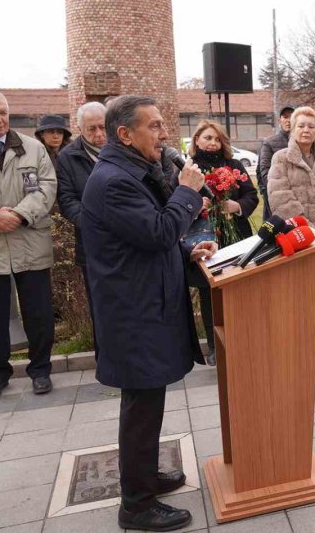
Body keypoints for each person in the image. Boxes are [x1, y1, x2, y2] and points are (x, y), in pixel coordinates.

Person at [79, 95, 214, 531]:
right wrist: (188, 192)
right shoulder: (114, 180)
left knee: (148, 400)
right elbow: (157, 230)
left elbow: (148, 237)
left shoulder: (130, 170)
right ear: (125, 134)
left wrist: (189, 250)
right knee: (141, 404)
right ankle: (136, 504)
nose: (163, 134)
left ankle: (145, 475)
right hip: (132, 312)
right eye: (153, 126)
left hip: (141, 302)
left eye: (162, 125)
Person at [0, 90, 57, 402]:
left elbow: (47, 187)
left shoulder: (32, 148)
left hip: (28, 242)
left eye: (3, 113)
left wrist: (19, 214)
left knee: (38, 313)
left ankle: (41, 370)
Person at [268, 106, 315, 356]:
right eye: (301, 125)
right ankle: (298, 331)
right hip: (298, 233)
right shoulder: (281, 158)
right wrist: (306, 225)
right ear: (291, 127)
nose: (306, 130)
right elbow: (279, 195)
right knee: (298, 283)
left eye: (311, 126)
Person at [187, 120, 258, 365]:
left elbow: (251, 195)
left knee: (240, 289)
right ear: (196, 140)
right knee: (210, 293)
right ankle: (215, 346)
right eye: (207, 137)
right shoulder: (189, 168)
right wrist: (197, 206)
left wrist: (236, 206)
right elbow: (176, 200)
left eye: (217, 139)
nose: (212, 143)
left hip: (235, 235)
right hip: (205, 238)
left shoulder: (234, 165)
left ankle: (243, 339)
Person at [57, 101, 108, 348]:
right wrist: (94, 224)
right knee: (99, 305)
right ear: (79, 129)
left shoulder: (125, 149)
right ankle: (105, 357)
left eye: (102, 127)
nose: (98, 135)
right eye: (91, 129)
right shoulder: (68, 157)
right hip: (92, 244)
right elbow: (67, 200)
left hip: (129, 242)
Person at [257, 105, 294, 220]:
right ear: (279, 121)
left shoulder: (302, 142)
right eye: (285, 117)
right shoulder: (269, 143)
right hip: (276, 197)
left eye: (292, 117)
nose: (288, 120)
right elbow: (263, 171)